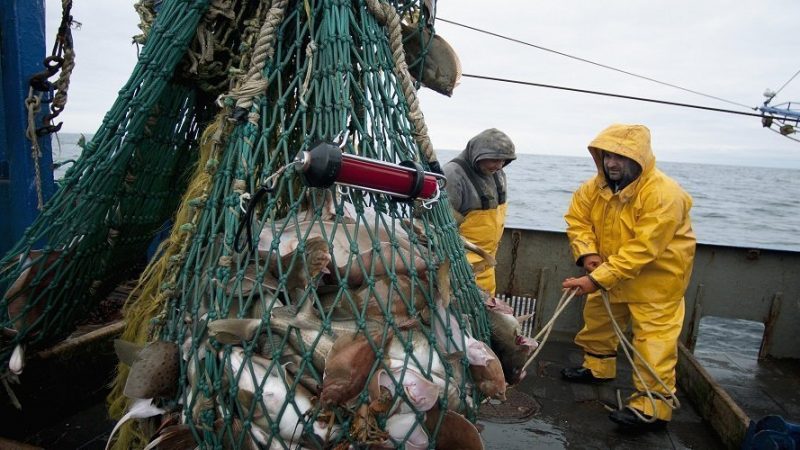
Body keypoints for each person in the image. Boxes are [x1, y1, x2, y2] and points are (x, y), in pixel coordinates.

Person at [560, 124, 696, 430]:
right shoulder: (592, 189)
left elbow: (643, 249)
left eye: (621, 157)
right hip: (610, 274)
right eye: (608, 155)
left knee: (653, 343)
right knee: (598, 320)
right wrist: (587, 254)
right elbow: (577, 220)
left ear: (640, 159)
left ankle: (652, 406)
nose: (612, 163)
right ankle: (597, 366)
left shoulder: (664, 194)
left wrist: (595, 279)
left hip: (656, 284)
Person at [443, 128, 516, 296]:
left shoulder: (497, 173)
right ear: (478, 154)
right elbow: (439, 226)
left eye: (504, 160)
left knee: (487, 314)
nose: (499, 165)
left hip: (487, 266)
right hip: (460, 268)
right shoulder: (452, 175)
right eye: (494, 159)